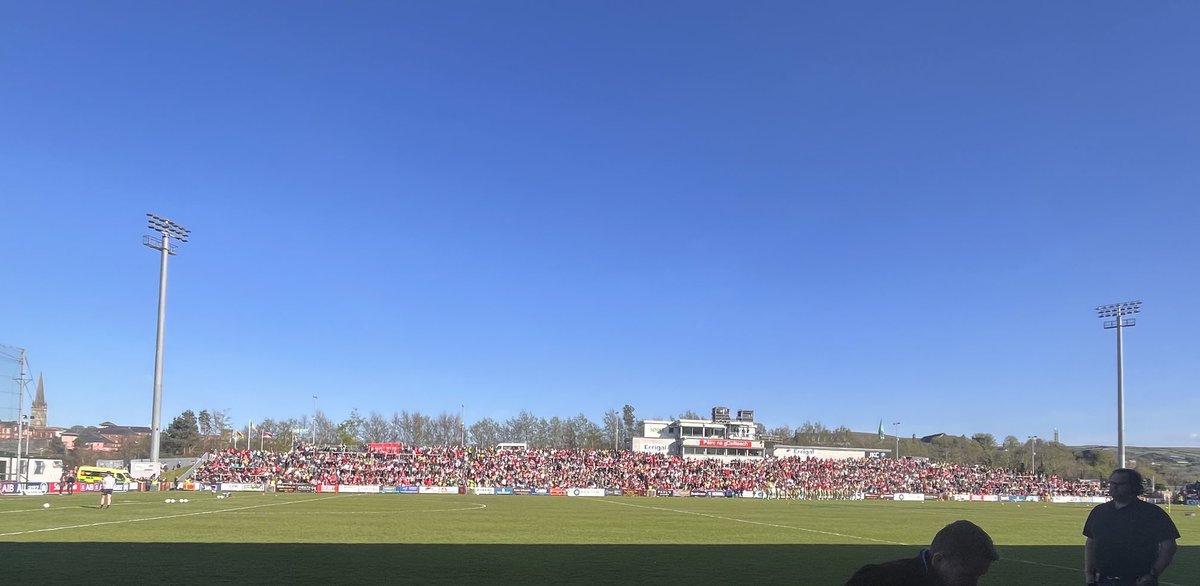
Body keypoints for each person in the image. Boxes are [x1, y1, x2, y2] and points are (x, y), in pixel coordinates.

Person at [1083, 468, 1180, 586]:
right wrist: (1088, 573)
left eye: (1120, 484)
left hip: (1137, 581)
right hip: (1102, 580)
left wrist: (1153, 574)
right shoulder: (1099, 511)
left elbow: (1169, 546)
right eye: (1112, 483)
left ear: (1133, 487)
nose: (1113, 487)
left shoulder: (1152, 513)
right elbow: (1090, 542)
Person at [846, 519, 999, 586]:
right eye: (967, 576)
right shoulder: (877, 580)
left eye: (978, 577)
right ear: (938, 560)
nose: (973, 585)